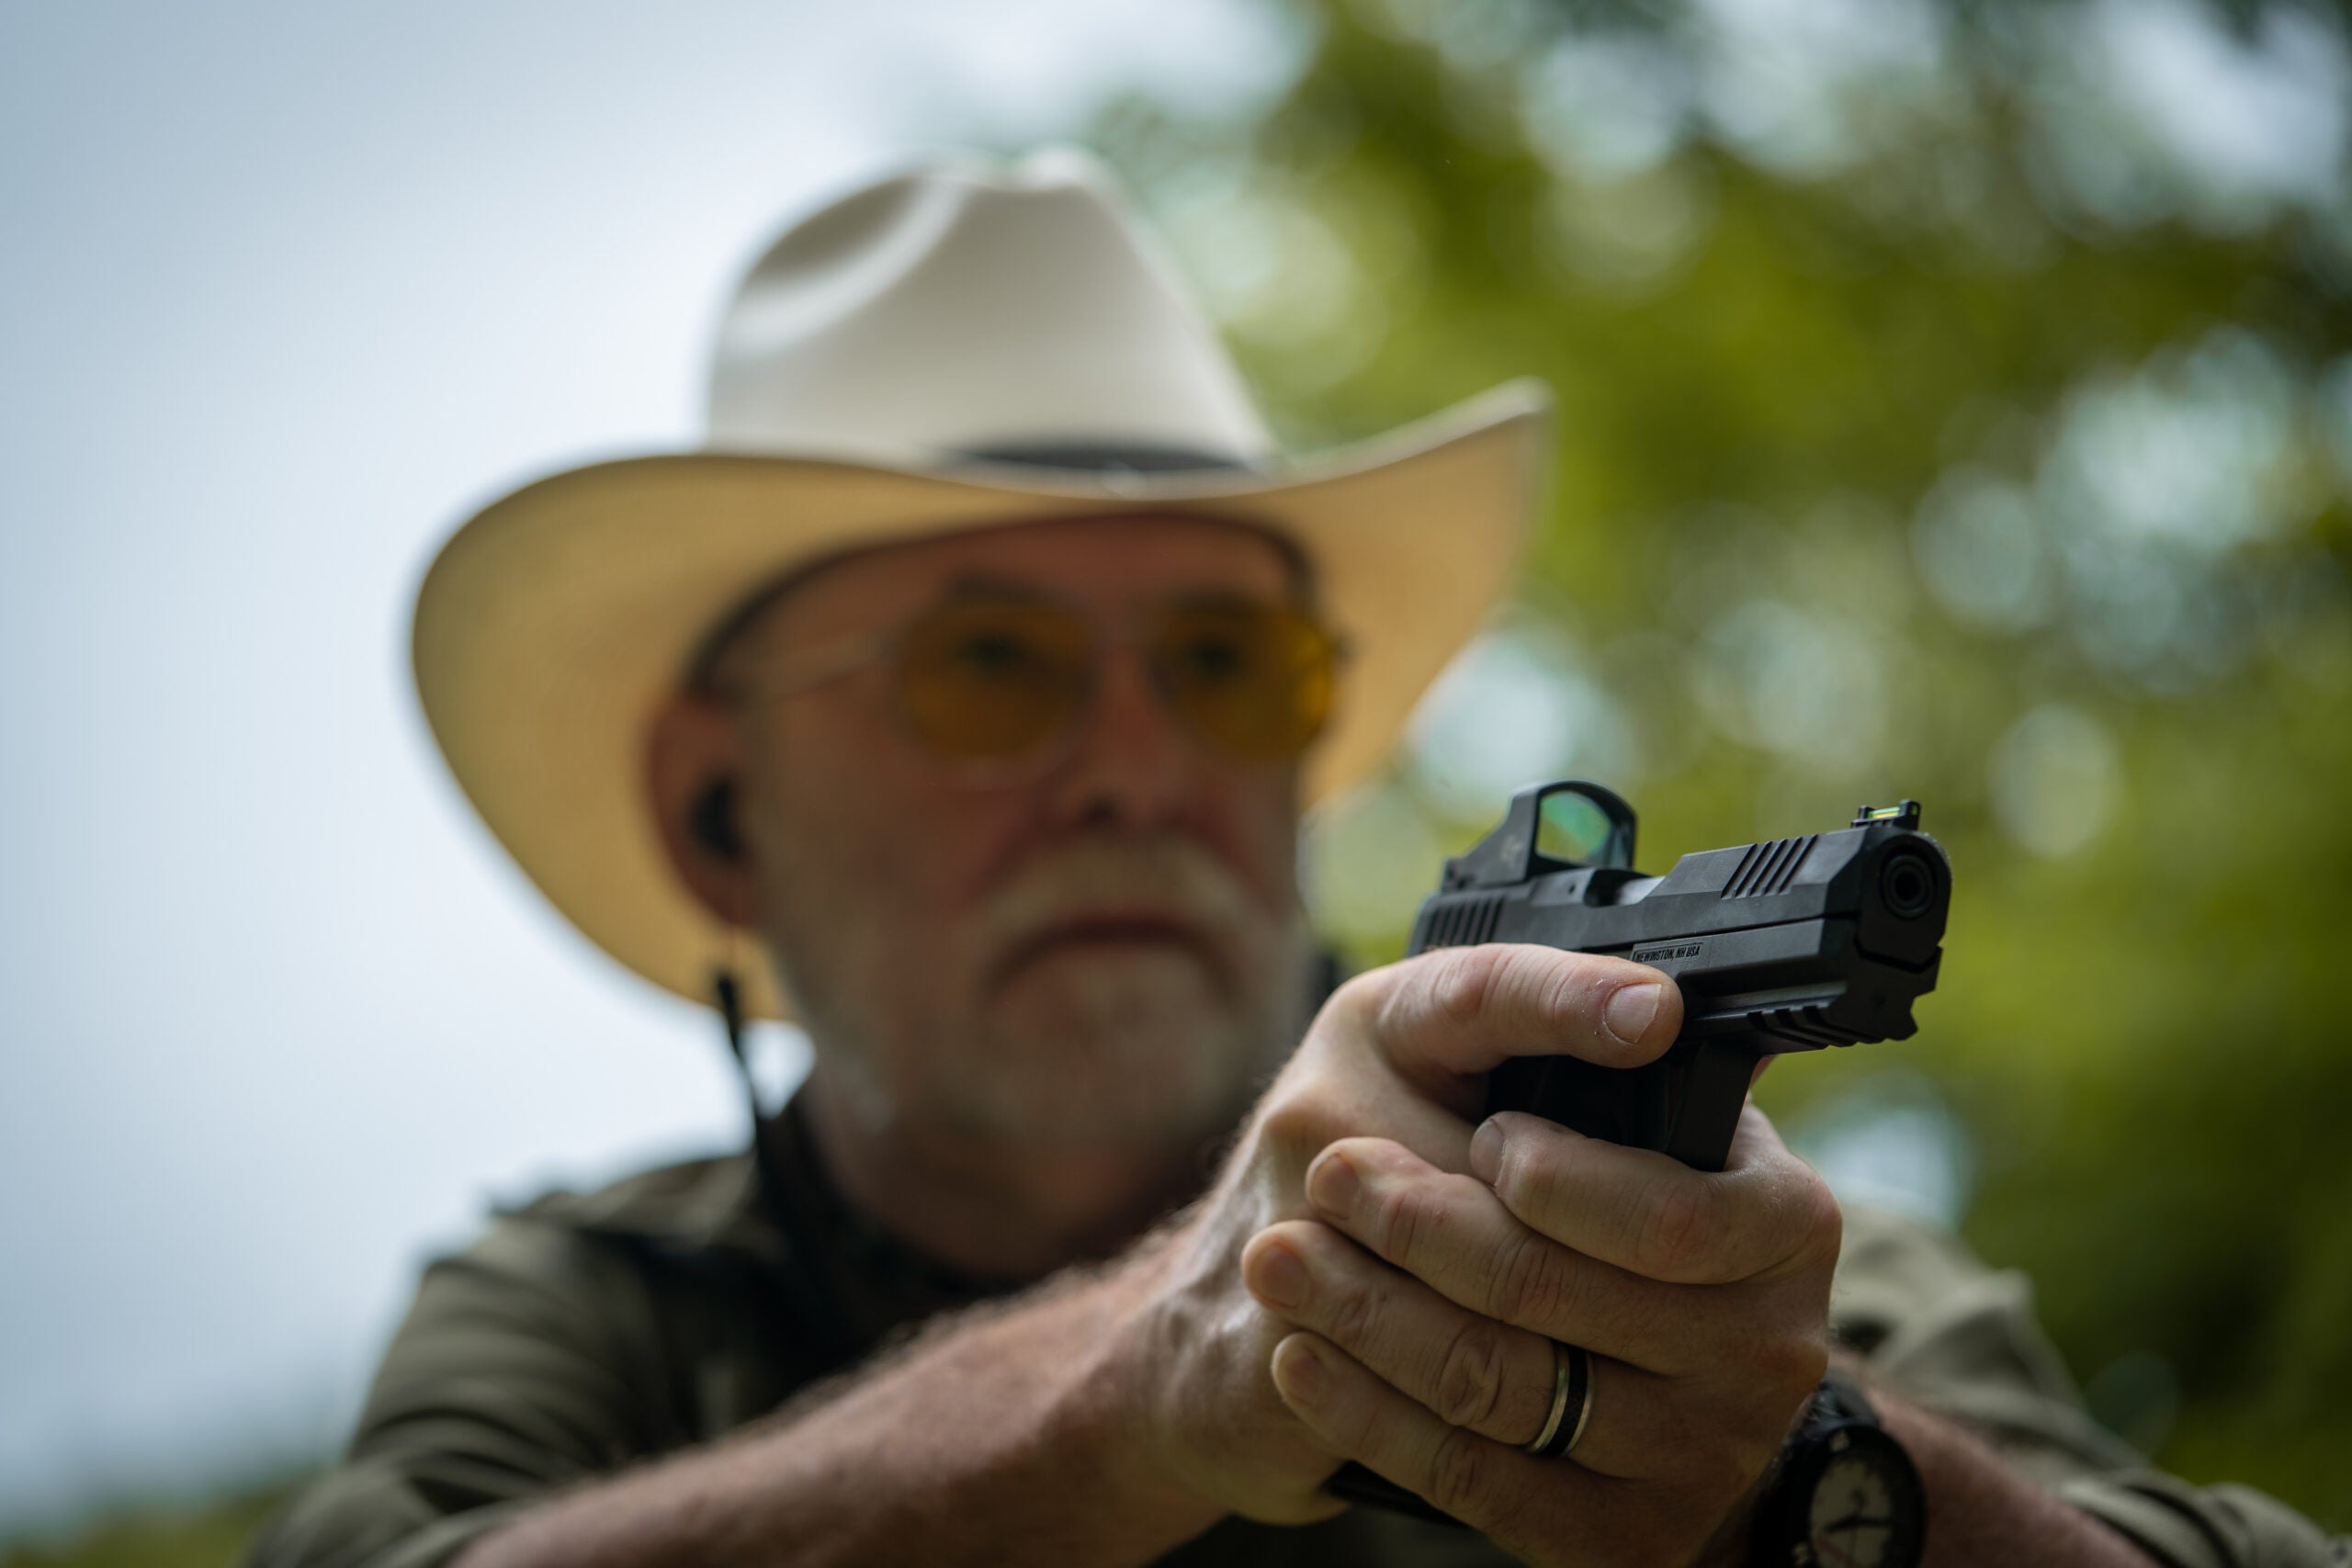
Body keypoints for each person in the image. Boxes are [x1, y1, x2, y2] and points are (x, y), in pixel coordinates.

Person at [248, 149, 2346, 1568]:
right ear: (723, 813)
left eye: (1226, 664)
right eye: (987, 664)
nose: (1137, 768)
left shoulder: (1710, 1254)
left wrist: (1796, 1476)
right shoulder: (582, 1317)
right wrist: (1132, 1383)